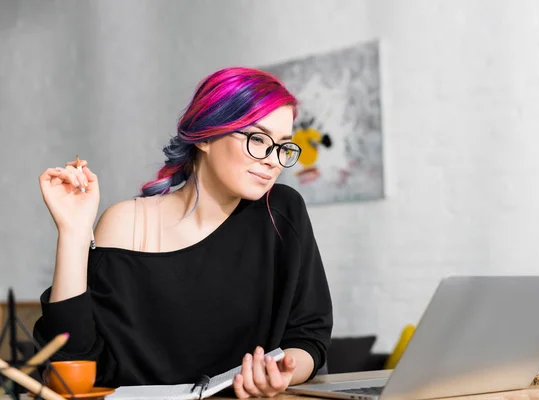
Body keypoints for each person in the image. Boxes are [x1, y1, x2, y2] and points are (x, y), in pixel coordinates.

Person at [33, 67, 333, 398]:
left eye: (282, 147)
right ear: (205, 135)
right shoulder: (128, 224)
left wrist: (282, 372)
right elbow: (73, 364)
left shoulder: (280, 212)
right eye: (258, 139)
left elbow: (309, 337)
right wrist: (73, 233)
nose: (273, 161)